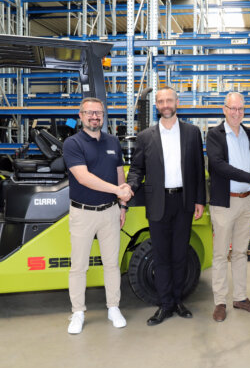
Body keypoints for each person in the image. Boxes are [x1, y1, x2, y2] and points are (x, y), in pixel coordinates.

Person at [125, 87, 206, 326]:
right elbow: (137, 168)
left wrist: (200, 200)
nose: (165, 105)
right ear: (157, 105)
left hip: (184, 201)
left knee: (180, 254)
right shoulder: (145, 136)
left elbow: (198, 168)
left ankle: (178, 301)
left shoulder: (192, 133)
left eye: (169, 100)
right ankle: (165, 304)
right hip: (158, 202)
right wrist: (130, 187)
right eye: (161, 101)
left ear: (176, 102)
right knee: (161, 256)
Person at [63, 97, 132, 335]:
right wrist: (117, 191)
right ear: (81, 116)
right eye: (90, 113)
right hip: (83, 213)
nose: (94, 117)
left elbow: (119, 173)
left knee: (111, 264)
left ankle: (113, 307)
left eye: (98, 113)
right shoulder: (73, 143)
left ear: (103, 116)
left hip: (110, 212)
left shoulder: (112, 141)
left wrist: (123, 205)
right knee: (78, 266)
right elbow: (83, 178)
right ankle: (78, 312)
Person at [206, 92, 250, 322]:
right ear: (224, 109)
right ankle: (220, 301)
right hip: (225, 202)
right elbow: (218, 165)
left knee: (241, 252)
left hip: (246, 200)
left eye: (240, 109)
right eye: (232, 108)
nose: (236, 113)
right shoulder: (215, 134)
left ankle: (240, 297)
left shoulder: (248, 134)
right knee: (221, 254)